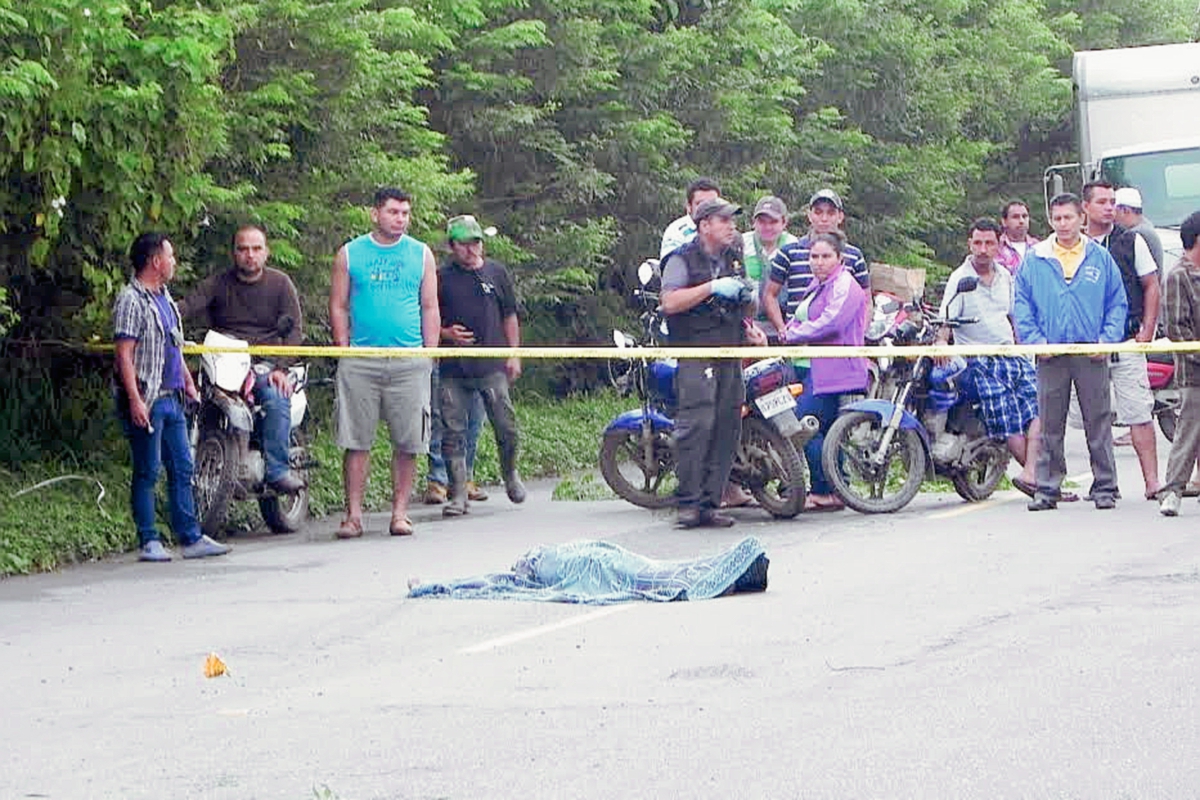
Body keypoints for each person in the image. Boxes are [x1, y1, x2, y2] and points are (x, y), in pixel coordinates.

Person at [329, 187, 440, 539]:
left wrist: (429, 353)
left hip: (409, 360)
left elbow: (429, 306)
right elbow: (339, 304)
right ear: (375, 214)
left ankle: (400, 513)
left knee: (409, 441)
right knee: (356, 439)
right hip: (361, 360)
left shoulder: (421, 254)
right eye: (394, 212)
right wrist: (344, 349)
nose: (401, 219)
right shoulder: (350, 254)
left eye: (406, 213)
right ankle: (353, 516)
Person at [113, 233, 231, 561]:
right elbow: (124, 355)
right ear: (155, 261)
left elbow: (173, 346)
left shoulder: (165, 297)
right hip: (147, 398)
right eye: (171, 256)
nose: (174, 262)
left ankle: (190, 537)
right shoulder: (130, 300)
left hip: (173, 398)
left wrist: (188, 383)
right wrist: (135, 399)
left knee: (182, 466)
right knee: (148, 469)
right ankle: (148, 539)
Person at [934, 219, 1066, 499]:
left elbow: (1014, 316)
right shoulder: (960, 278)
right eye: (977, 243)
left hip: (1014, 357)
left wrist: (1026, 347)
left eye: (989, 243)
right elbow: (945, 322)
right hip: (980, 361)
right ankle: (1042, 482)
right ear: (969, 244)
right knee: (1008, 422)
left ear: (998, 245)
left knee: (1039, 408)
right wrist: (941, 344)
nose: (983, 249)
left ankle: (1032, 474)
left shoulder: (1006, 275)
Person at [1014, 193, 1127, 511]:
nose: (1063, 224)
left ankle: (1105, 486)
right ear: (1050, 221)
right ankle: (1048, 488)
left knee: (1098, 420)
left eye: (1069, 217)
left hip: (1090, 352)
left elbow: (1116, 302)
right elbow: (1022, 305)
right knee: (1050, 423)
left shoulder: (1099, 257)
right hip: (1050, 353)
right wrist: (1036, 342)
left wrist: (1106, 340)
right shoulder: (1035, 259)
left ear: (1081, 218)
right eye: (1057, 218)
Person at [660, 197, 765, 528]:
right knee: (698, 423)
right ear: (705, 225)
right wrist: (711, 288)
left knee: (727, 425)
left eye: (733, 221)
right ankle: (688, 503)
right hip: (695, 351)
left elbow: (748, 308)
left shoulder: (735, 259)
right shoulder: (681, 259)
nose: (732, 226)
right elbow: (670, 302)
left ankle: (711, 503)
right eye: (724, 220)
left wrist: (750, 308)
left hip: (730, 350)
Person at [178, 225, 306, 494]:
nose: (250, 255)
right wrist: (161, 313)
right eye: (243, 249)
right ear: (234, 253)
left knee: (274, 395)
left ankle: (278, 470)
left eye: (256, 248)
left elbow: (294, 330)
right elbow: (189, 305)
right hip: (222, 359)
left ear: (266, 252)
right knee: (186, 397)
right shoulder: (218, 282)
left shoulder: (281, 283)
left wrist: (281, 368)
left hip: (263, 362)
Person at [437, 214, 526, 516]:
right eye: (464, 244)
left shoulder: (496, 273)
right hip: (453, 367)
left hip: (492, 364)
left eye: (475, 242)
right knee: (453, 430)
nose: (471, 249)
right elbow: (426, 316)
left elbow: (510, 315)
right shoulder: (440, 276)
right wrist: (445, 334)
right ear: (452, 246)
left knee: (506, 424)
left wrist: (514, 353)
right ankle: (457, 492)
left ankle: (510, 473)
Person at [1082, 180, 1162, 498]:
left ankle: (1152, 482)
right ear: (1085, 207)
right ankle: (1103, 483)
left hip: (1127, 339)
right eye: (1102, 201)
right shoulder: (1074, 245)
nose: (1109, 207)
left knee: (1139, 412)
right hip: (1087, 343)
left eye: (1112, 201)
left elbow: (1151, 285)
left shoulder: (1132, 240)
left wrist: (1147, 329)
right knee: (1094, 417)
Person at [781, 232, 869, 512]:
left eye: (826, 256)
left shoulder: (846, 284)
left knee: (803, 424)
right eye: (814, 256)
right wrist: (790, 331)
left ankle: (825, 490)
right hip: (810, 367)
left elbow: (831, 322)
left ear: (840, 258)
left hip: (835, 370)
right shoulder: (818, 284)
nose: (818, 262)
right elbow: (800, 317)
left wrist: (793, 336)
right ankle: (831, 489)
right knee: (821, 429)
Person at [763, 188, 869, 338]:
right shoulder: (789, 252)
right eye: (818, 212)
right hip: (797, 341)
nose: (824, 218)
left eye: (831, 213)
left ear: (840, 217)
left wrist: (860, 334)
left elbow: (866, 301)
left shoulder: (854, 256)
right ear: (810, 215)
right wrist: (782, 329)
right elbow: (770, 295)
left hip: (840, 342)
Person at [1157, 210, 1200, 515]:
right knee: (1188, 432)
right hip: (1193, 372)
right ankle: (1172, 490)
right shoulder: (1178, 276)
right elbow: (1176, 329)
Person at [742, 196, 798, 340]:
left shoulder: (794, 246)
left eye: (773, 222)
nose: (767, 227)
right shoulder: (741, 243)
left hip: (783, 323)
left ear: (784, 222)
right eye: (761, 222)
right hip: (748, 323)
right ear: (754, 222)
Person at [424, 375, 486, 504]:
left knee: (474, 417)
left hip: (479, 361)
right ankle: (438, 480)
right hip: (444, 359)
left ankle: (464, 479)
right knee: (440, 414)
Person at [660, 177, 721, 258]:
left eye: (712, 204)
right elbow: (670, 266)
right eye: (700, 204)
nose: (707, 208)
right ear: (689, 207)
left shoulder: (727, 229)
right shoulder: (676, 232)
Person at [1114, 187, 1165, 273]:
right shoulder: (1146, 225)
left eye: (1115, 211)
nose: (1113, 217)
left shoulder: (1138, 234)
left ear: (1125, 210)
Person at [997, 200, 1039, 274]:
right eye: (1015, 217)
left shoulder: (1039, 247)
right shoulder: (996, 248)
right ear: (1004, 221)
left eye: (1024, 216)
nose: (1021, 221)